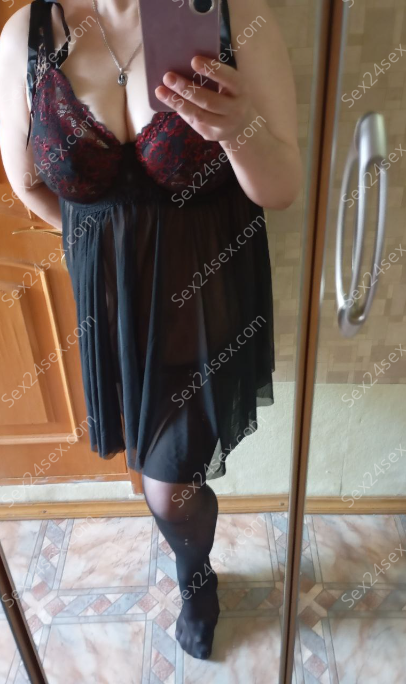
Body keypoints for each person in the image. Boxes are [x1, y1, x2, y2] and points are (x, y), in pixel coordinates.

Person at [0, 0, 301, 660]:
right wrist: (103, 250)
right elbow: (26, 182)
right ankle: (195, 569)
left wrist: (239, 128)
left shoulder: (234, 15)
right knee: (157, 472)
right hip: (112, 315)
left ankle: (196, 580)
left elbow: (282, 186)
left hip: (202, 308)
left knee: (170, 491)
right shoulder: (27, 33)